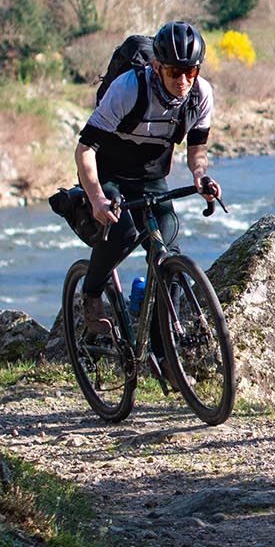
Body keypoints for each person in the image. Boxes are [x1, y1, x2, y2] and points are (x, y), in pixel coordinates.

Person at [74, 20, 221, 334]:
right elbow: (84, 149)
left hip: (152, 176)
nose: (183, 80)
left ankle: (163, 347)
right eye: (173, 72)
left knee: (168, 251)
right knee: (122, 232)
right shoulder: (129, 88)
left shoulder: (201, 95)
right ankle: (90, 293)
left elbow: (197, 148)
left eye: (191, 72)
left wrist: (200, 177)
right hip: (110, 172)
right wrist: (97, 198)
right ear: (157, 66)